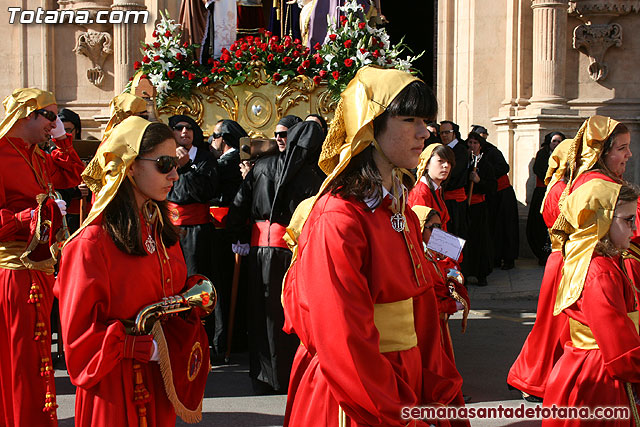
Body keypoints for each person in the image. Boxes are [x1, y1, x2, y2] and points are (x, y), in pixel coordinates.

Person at [282, 66, 463, 426]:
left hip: (405, 378)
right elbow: (342, 338)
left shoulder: (402, 210)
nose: (423, 132)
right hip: (358, 395)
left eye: (424, 120)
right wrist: (396, 411)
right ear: (370, 124)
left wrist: (439, 391)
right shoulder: (340, 217)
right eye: (408, 118)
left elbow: (421, 311)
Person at [55, 117, 211, 426]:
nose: (175, 174)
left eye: (175, 162)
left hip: (157, 380)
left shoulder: (159, 228)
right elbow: (78, 346)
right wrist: (135, 346)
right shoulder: (90, 244)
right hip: (114, 389)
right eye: (164, 164)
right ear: (129, 166)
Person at [509, 116, 632, 403]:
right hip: (573, 264)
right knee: (566, 335)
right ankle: (535, 379)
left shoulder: (577, 184)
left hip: (569, 263)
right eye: (622, 148)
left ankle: (536, 379)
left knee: (556, 333)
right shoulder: (589, 186)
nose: (628, 155)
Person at [0, 88, 84, 426]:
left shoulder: (36, 154)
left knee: (39, 360)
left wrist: (62, 139)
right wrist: (28, 217)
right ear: (27, 114)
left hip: (39, 268)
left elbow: (74, 175)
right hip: (13, 270)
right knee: (20, 360)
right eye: (50, 116)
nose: (56, 123)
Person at [542, 180, 640, 427]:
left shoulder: (595, 260)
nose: (634, 227)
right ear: (602, 220)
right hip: (600, 379)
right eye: (628, 220)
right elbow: (621, 354)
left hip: (587, 366)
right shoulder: (600, 272)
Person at [226, 114, 302, 394]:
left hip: (268, 250)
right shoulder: (305, 170)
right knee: (275, 312)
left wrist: (238, 234)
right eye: (277, 134)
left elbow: (239, 206)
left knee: (269, 312)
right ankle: (280, 375)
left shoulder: (261, 167)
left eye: (285, 134)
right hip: (279, 250)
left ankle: (267, 376)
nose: (280, 138)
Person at [166, 115, 220, 361]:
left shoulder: (206, 158)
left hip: (197, 230)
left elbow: (204, 191)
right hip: (169, 229)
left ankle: (201, 338)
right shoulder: (165, 155)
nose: (184, 132)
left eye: (189, 128)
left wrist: (187, 166)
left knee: (195, 282)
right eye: (179, 128)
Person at [208, 119, 247, 361]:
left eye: (214, 135)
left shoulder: (226, 163)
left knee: (222, 287)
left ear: (224, 138)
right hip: (230, 229)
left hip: (224, 230)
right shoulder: (233, 161)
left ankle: (223, 340)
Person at [474, 126, 519, 270]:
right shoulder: (473, 154)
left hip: (502, 194)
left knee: (506, 227)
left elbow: (504, 168)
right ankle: (495, 257)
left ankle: (508, 258)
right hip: (490, 195)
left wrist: (486, 175)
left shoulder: (492, 151)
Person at [461, 132, 496, 286]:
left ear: (480, 146)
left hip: (479, 208)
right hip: (464, 206)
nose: (472, 146)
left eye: (475, 143)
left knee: (480, 241)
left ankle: (481, 274)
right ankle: (465, 273)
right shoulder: (463, 162)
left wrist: (478, 181)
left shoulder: (486, 164)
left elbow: (492, 187)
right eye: (470, 143)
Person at [526, 131, 566, 265]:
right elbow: (539, 170)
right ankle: (542, 254)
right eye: (554, 141)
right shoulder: (542, 154)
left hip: (560, 194)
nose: (556, 144)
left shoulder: (566, 156)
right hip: (543, 193)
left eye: (559, 141)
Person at [408, 143, 455, 231]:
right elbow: (421, 230)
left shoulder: (436, 189)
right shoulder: (421, 193)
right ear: (427, 164)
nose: (446, 165)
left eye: (449, 162)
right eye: (440, 161)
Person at [440, 120, 469, 239]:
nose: (444, 135)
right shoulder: (442, 149)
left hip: (455, 201)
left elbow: (454, 173)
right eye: (441, 133)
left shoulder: (460, 150)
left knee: (456, 234)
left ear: (454, 133)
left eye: (447, 132)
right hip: (444, 199)